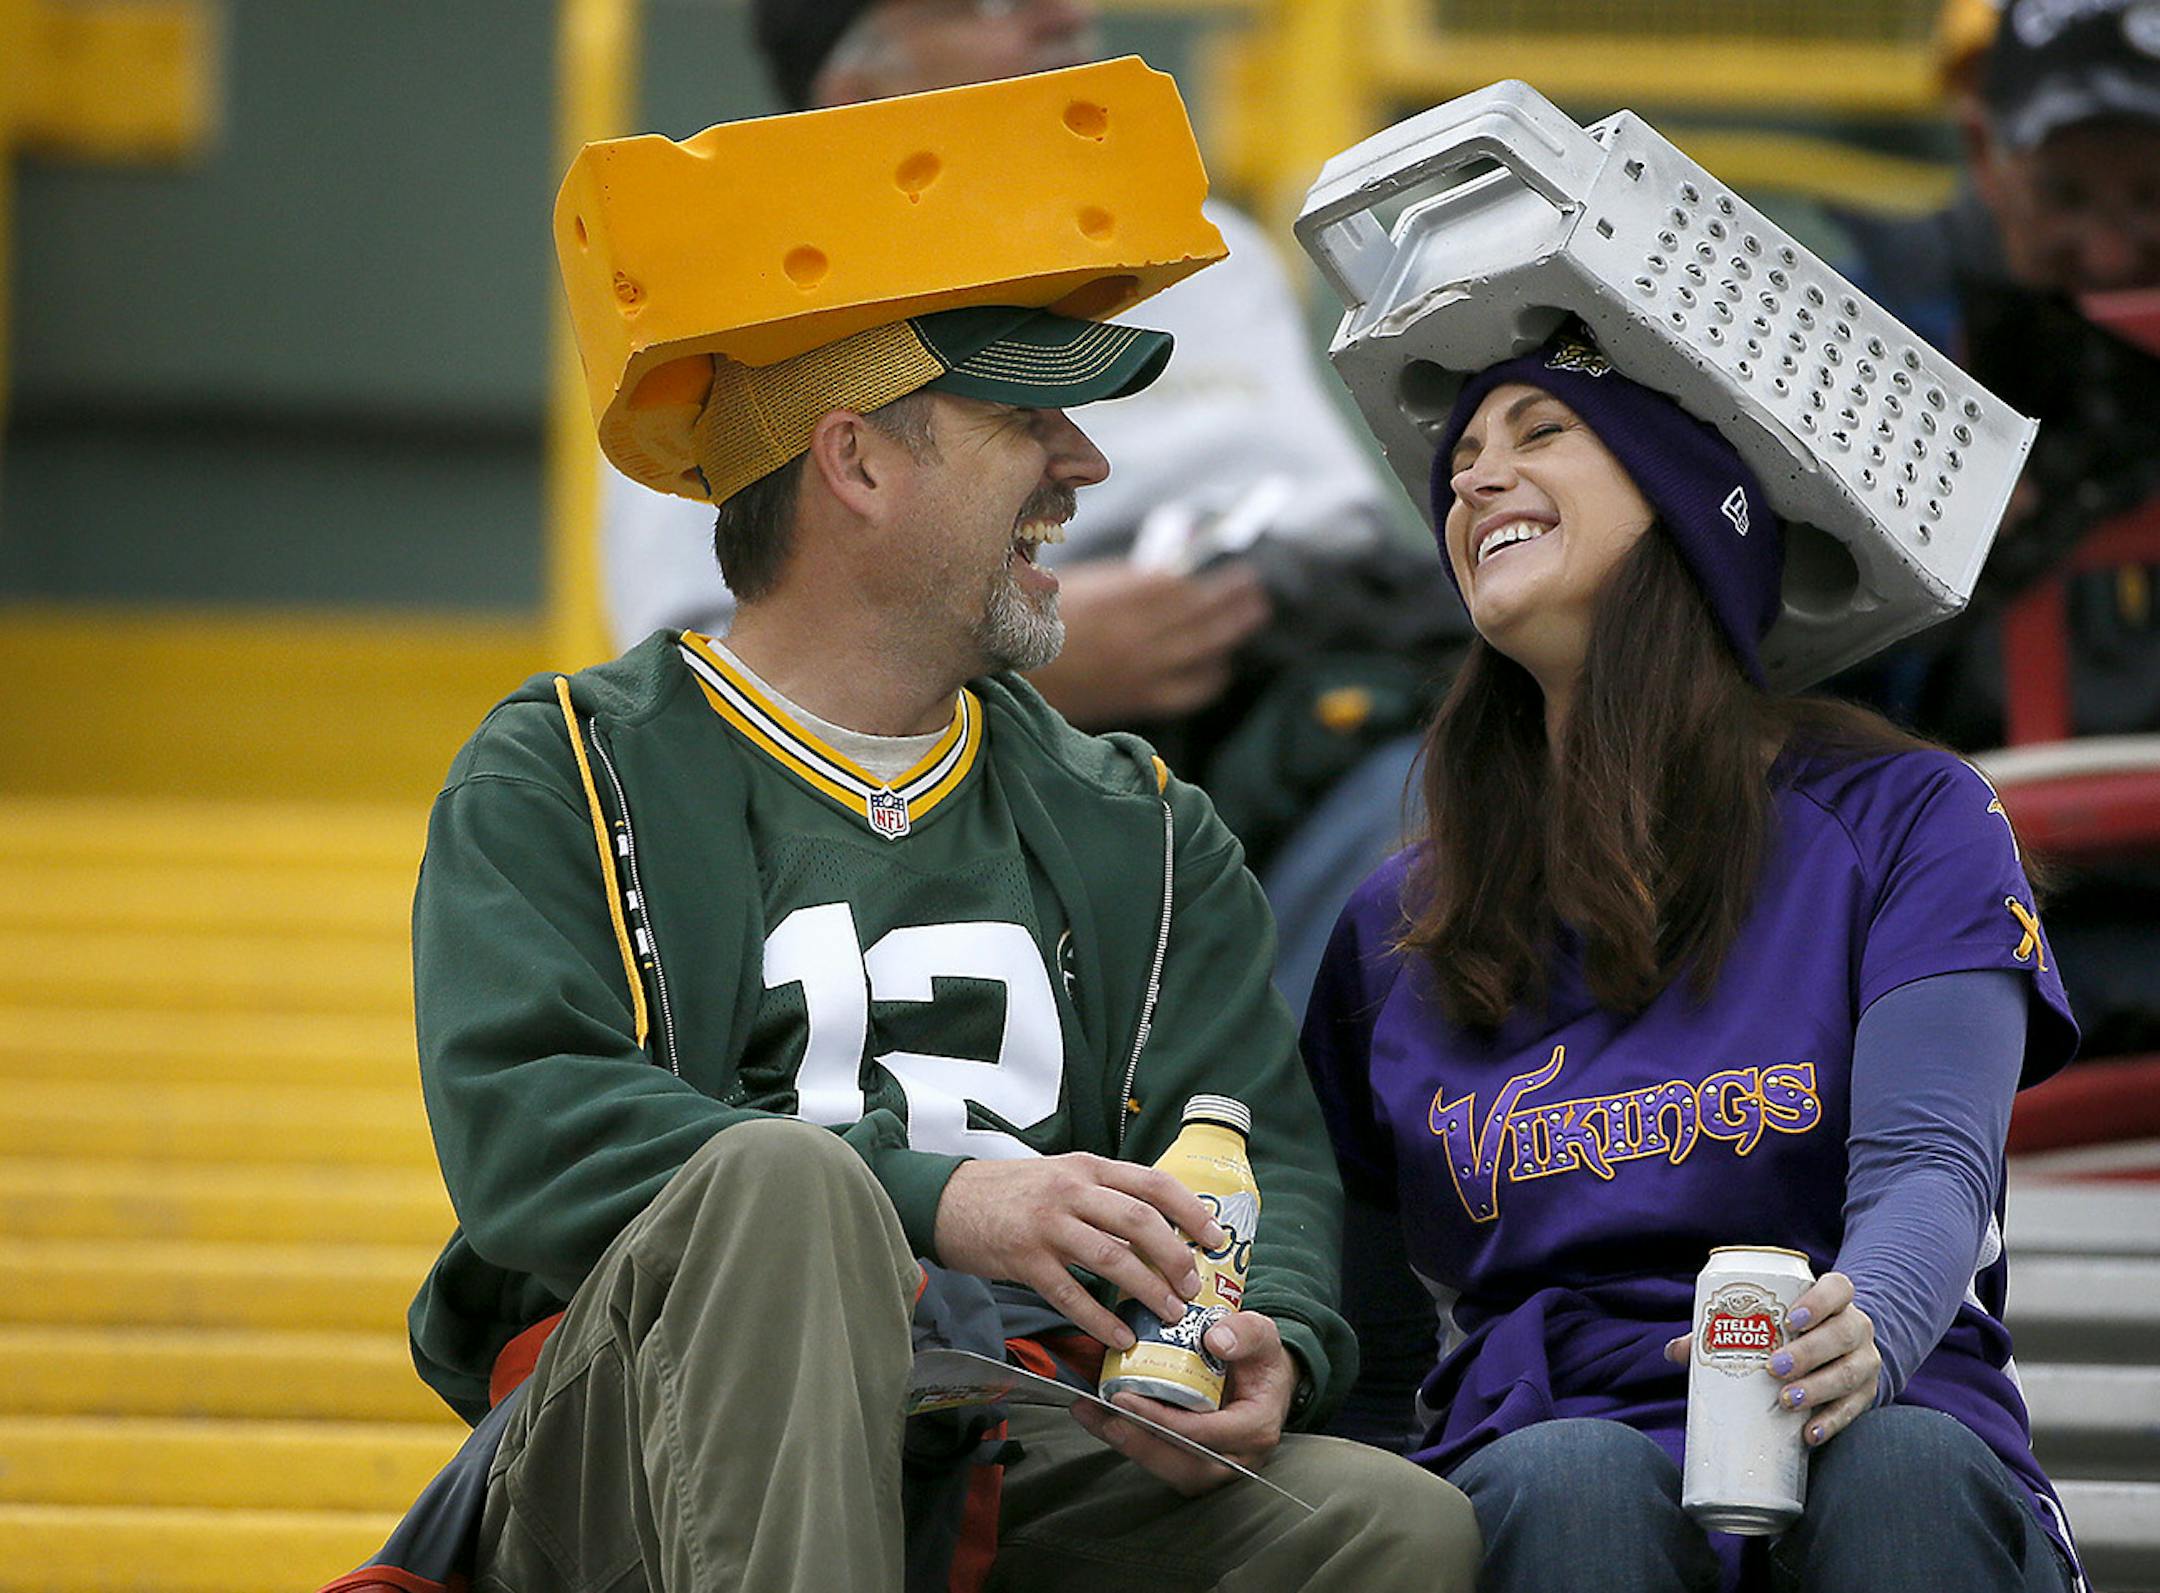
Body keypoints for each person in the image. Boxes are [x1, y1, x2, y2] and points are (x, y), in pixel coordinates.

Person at [341, 69, 1480, 1593]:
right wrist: (943, 1195)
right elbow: (530, 1132)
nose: (1084, 469)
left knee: (1395, 1524)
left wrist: (1264, 1325)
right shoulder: (564, 767)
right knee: (785, 1181)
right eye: (1026, 420)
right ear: (856, 459)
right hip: (634, 1459)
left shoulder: (1142, 825)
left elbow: (1250, 1152)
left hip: (1005, 1430)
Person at [1299, 325, 2088, 1592]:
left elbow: (1936, 1164)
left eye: (1540, 434)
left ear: (1689, 502)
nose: (1472, 480)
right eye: (1462, 463)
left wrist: (1873, 1326)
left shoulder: (1911, 818)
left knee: (1900, 1477)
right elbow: (1366, 1338)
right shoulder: (1400, 925)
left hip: (1870, 1423)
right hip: (1542, 1459)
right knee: (1573, 1487)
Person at [605, 0, 1456, 1010]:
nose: (1065, 12)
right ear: (856, 82)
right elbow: (707, 700)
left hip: (1303, 725)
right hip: (962, 806)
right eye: (985, 1)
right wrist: (1014, 669)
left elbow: (1349, 534)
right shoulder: (738, 318)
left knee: (1481, 802)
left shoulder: (1210, 256)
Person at [1833, 0, 2160, 744]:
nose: (2110, 256)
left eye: (2153, 197)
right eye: (2064, 195)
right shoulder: (1858, 338)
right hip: (1957, 823)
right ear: (1981, 150)